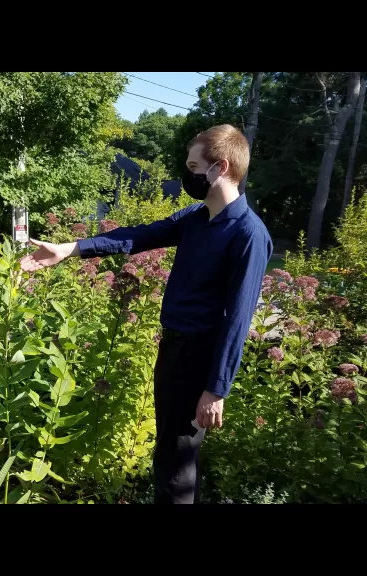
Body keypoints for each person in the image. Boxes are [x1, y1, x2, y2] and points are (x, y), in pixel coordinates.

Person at [20, 125, 272, 504]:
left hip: (200, 358)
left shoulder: (247, 233)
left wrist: (216, 388)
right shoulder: (196, 217)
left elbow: (238, 320)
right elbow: (139, 235)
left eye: (193, 166)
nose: (186, 175)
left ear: (220, 167)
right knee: (170, 453)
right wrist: (71, 248)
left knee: (178, 463)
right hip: (173, 350)